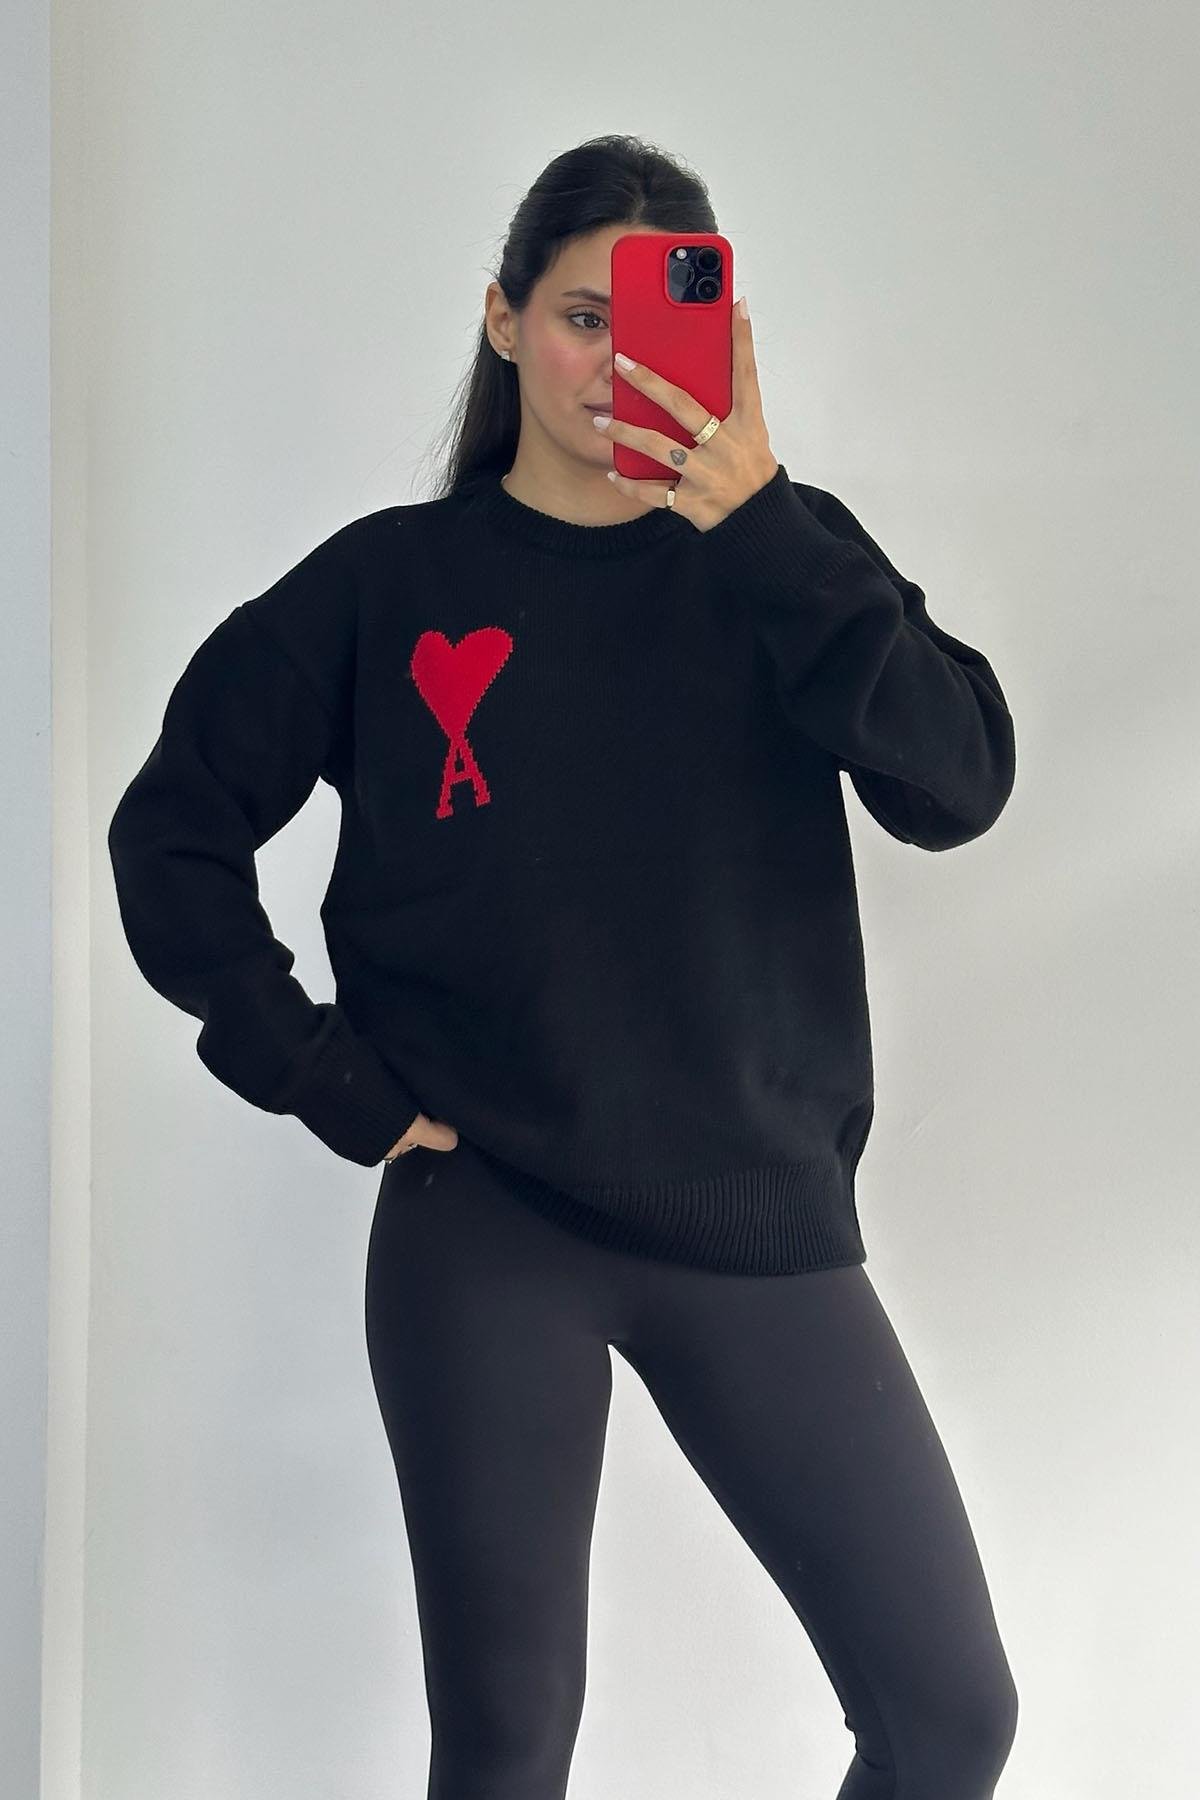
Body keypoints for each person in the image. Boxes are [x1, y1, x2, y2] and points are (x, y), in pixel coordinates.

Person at [108, 134, 1020, 1798]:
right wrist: (322, 1074)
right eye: (583, 317)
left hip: (752, 1209)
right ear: (504, 320)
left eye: (661, 322)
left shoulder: (787, 560)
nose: (616, 361)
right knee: (509, 1746)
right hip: (488, 1220)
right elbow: (170, 830)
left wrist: (762, 526)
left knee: (951, 1718)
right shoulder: (391, 585)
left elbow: (956, 786)